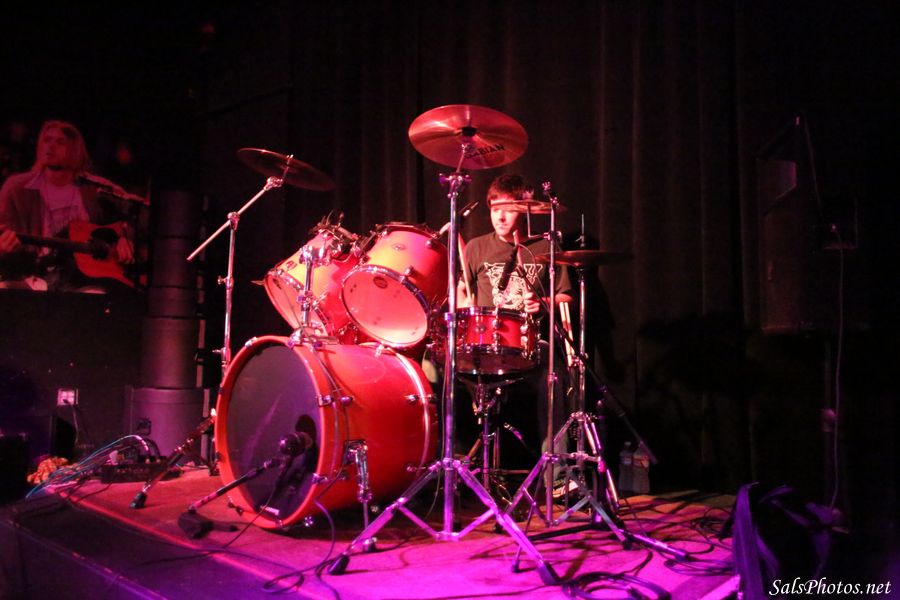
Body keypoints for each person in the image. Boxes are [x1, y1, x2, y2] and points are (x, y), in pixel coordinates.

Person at [454, 173, 574, 474]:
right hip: (483, 344)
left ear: (525, 210)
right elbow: (461, 291)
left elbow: (566, 297)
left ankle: (557, 474)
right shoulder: (476, 248)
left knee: (553, 376)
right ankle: (457, 464)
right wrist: (464, 309)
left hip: (527, 343)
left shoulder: (545, 247)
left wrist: (543, 303)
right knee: (434, 365)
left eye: (508, 209)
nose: (500, 216)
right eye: (495, 209)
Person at [0, 120, 137, 292]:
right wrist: (3, 249)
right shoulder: (17, 188)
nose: (50, 146)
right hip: (33, 277)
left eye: (60, 142)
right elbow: (4, 232)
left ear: (75, 149)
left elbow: (136, 212)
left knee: (94, 297)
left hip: (83, 281)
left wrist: (126, 238)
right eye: (46, 140)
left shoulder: (94, 189)